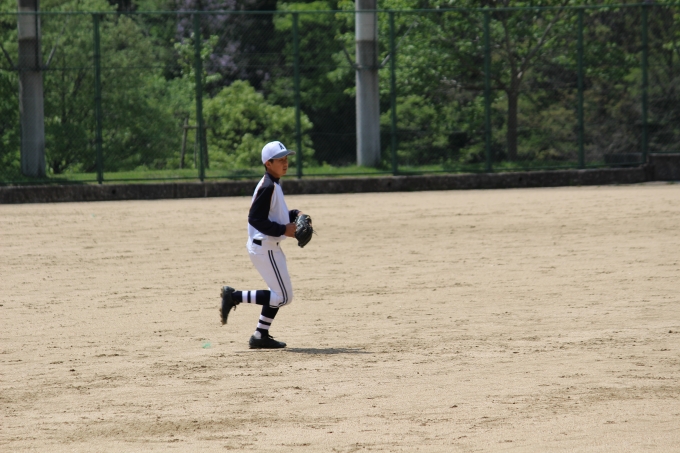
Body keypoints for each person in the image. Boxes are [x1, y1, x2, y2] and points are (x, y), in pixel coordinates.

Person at [219, 140, 303, 349]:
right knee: (283, 296)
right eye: (280, 159)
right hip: (265, 247)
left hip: (267, 246)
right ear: (268, 163)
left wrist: (296, 214)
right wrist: (284, 230)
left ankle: (260, 335)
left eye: (286, 158)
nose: (285, 163)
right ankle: (234, 296)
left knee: (277, 293)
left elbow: (276, 215)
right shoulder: (268, 186)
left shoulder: (274, 183)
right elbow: (255, 219)